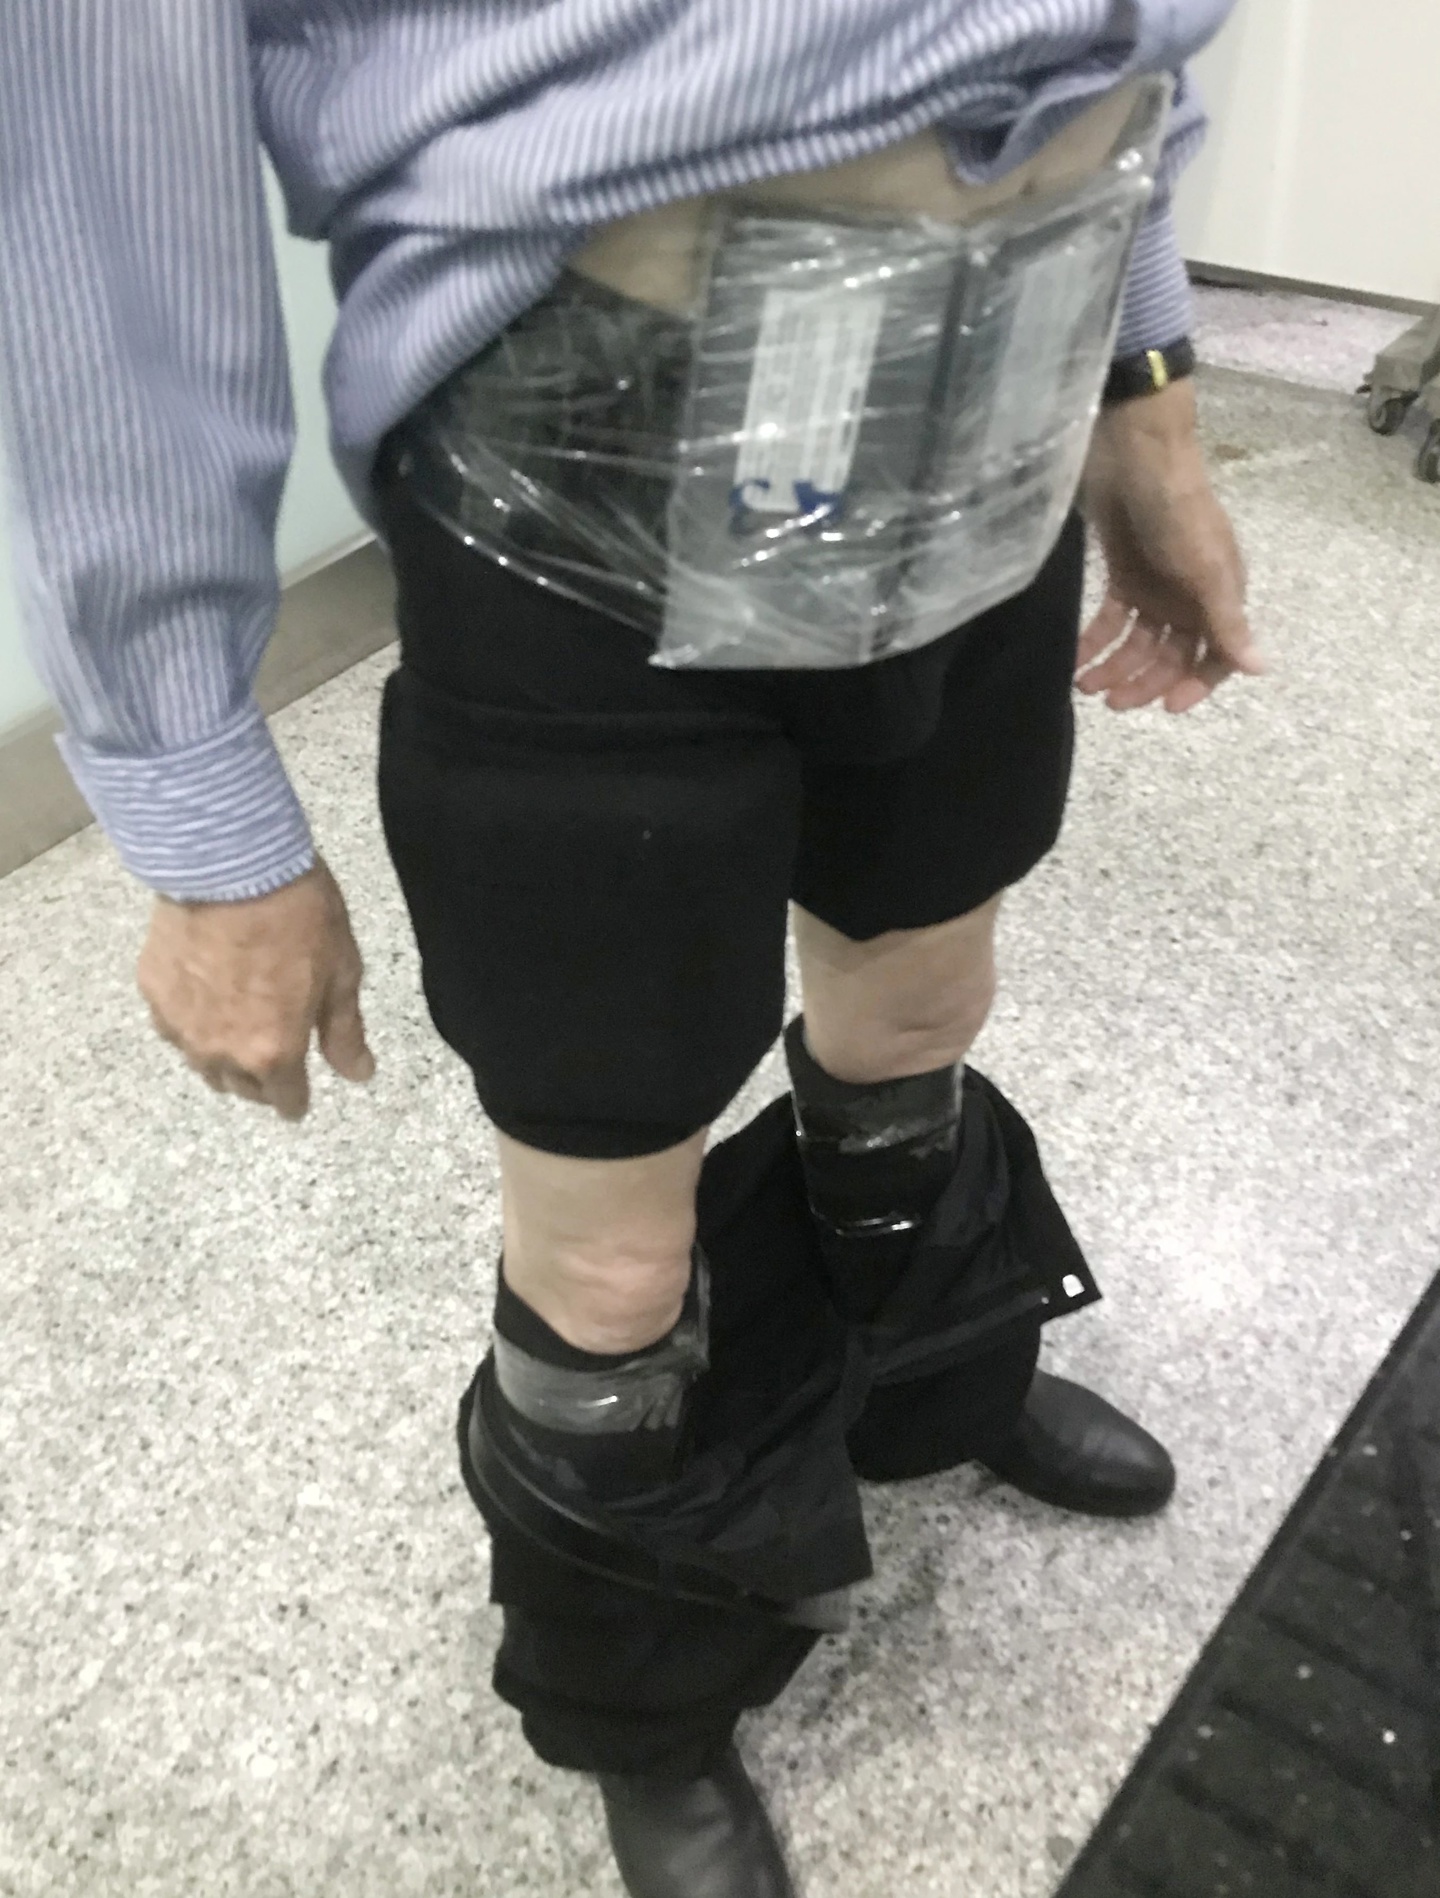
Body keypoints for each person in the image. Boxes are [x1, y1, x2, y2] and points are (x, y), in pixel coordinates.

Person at [0, 6, 1259, 1895]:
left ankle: (935, 1387)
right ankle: (642, 1702)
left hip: (1008, 406)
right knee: (607, 1233)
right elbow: (104, 204)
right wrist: (194, 798)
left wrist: (1147, 386)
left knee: (920, 1000)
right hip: (581, 463)